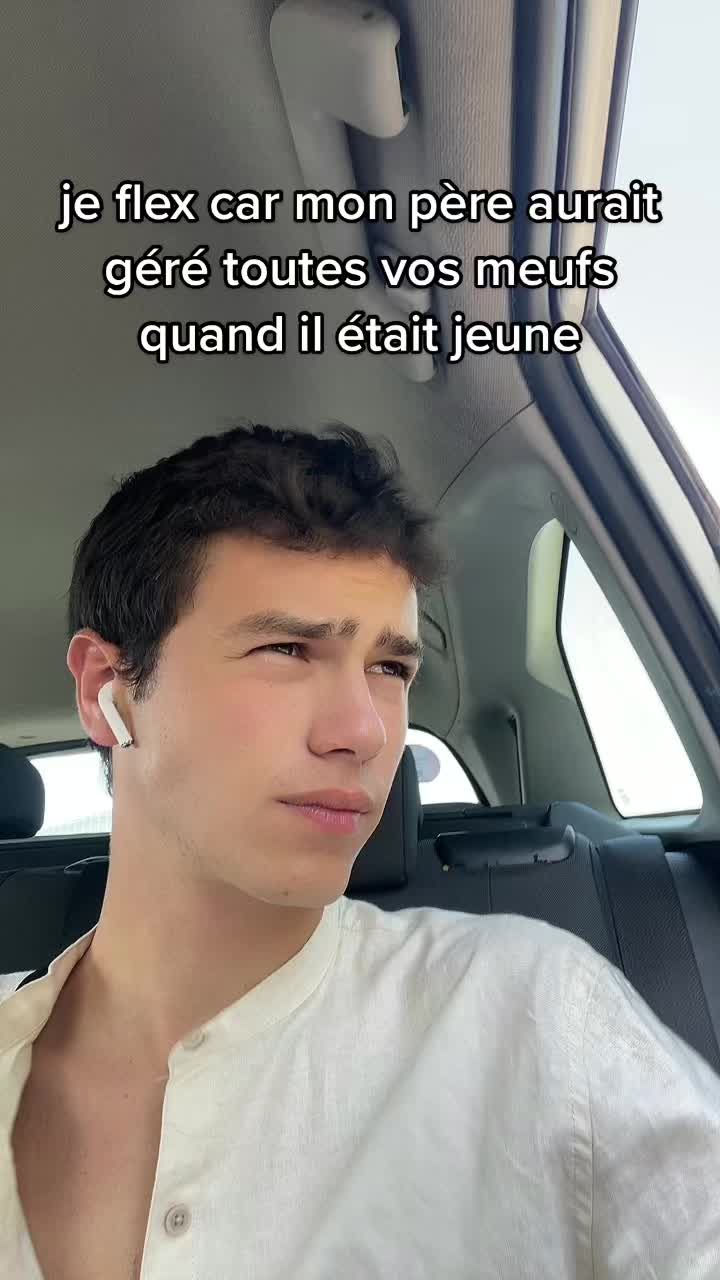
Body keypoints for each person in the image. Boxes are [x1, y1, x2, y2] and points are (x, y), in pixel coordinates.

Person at [1, 423, 718, 1280]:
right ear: (105, 691)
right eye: (287, 649)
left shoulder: (534, 1016)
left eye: (390, 668)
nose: (366, 732)